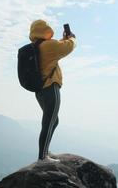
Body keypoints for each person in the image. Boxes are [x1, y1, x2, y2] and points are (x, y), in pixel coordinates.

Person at [29, 19, 77, 162]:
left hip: (40, 91)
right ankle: (43, 157)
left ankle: (45, 151)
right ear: (45, 30)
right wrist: (72, 38)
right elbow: (67, 47)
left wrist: (64, 39)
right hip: (51, 88)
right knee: (49, 122)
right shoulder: (48, 46)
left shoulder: (36, 46)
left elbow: (57, 47)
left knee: (52, 121)